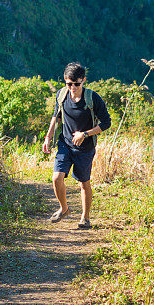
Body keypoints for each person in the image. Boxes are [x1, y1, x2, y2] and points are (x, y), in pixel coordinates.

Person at [41, 62, 110, 229]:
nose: (72, 87)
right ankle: (64, 209)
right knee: (57, 178)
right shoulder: (62, 95)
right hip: (65, 143)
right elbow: (56, 117)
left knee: (83, 183)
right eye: (69, 83)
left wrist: (84, 134)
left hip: (85, 148)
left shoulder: (93, 98)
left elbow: (106, 123)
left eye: (76, 84)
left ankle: (85, 217)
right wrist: (48, 137)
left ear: (83, 80)